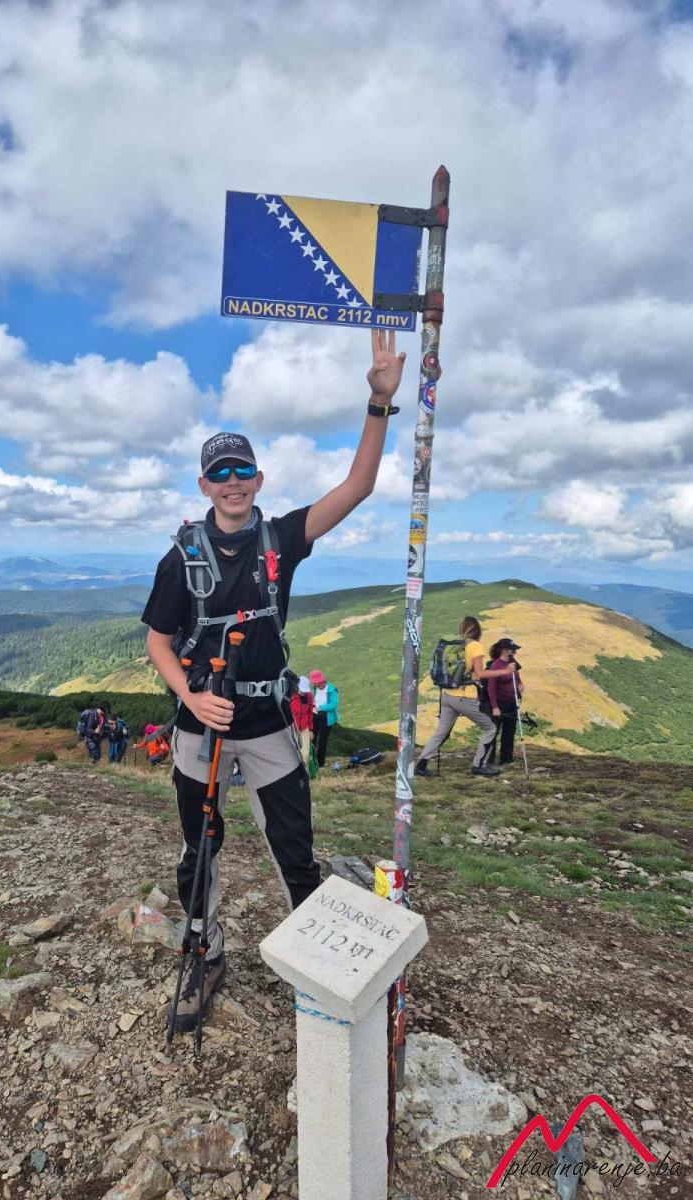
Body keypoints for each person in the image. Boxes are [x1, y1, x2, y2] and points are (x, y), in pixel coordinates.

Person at [141, 329, 407, 1035]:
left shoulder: (282, 540)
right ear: (204, 486)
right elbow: (158, 641)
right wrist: (189, 696)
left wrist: (379, 403)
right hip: (200, 726)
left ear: (258, 480)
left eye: (243, 471)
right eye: (220, 474)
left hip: (267, 724)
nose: (232, 483)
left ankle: (321, 971)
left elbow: (357, 487)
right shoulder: (180, 559)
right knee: (199, 850)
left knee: (294, 846)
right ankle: (204, 953)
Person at [414, 616, 517, 778]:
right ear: (478, 631)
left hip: (447, 695)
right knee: (491, 727)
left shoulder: (453, 644)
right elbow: (480, 673)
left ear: (462, 628)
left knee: (441, 732)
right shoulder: (475, 646)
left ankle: (421, 765)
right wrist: (506, 671)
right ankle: (479, 765)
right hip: (464, 697)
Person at [484, 638, 523, 765]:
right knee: (494, 731)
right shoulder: (496, 666)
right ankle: (489, 760)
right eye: (512, 650)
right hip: (499, 703)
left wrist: (520, 684)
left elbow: (516, 677)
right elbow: (491, 688)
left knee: (509, 731)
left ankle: (506, 759)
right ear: (504, 650)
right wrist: (495, 707)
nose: (514, 652)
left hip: (512, 702)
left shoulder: (512, 663)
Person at [309, 670, 339, 767]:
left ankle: (320, 763)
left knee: (322, 742)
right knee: (312, 739)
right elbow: (316, 700)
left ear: (322, 681)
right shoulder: (315, 688)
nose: (316, 684)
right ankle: (311, 761)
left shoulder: (331, 690)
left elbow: (333, 705)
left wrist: (321, 707)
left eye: (317, 683)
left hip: (326, 718)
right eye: (315, 683)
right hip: (315, 716)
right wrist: (313, 706)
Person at [290, 676, 315, 762]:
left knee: (305, 754)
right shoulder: (291, 697)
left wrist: (311, 729)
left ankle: (304, 769)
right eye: (302, 690)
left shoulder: (309, 696)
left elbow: (310, 713)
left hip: (305, 727)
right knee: (294, 753)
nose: (303, 692)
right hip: (292, 728)